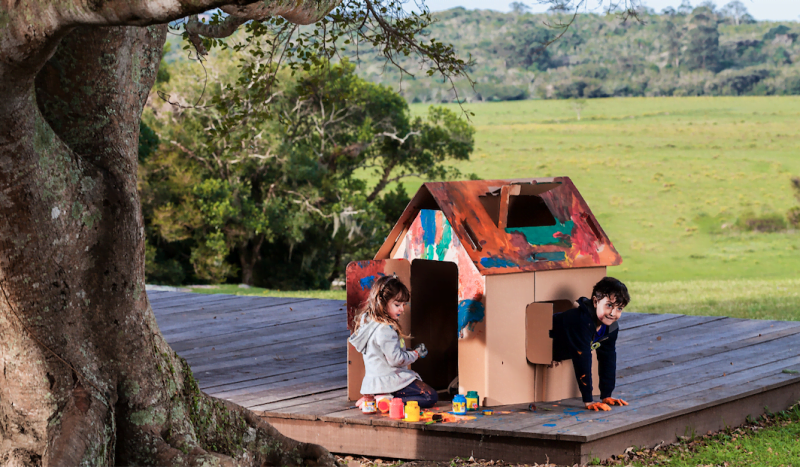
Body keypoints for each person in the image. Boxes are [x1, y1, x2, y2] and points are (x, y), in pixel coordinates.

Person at [349, 275, 438, 408]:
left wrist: (407, 351)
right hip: (388, 381)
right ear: (382, 303)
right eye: (397, 305)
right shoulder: (385, 329)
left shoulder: (369, 323)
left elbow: (385, 354)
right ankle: (386, 401)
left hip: (374, 381)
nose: (402, 309)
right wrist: (415, 354)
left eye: (403, 304)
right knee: (429, 395)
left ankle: (372, 398)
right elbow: (396, 360)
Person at [552, 276, 630, 411]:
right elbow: (582, 359)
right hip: (550, 345)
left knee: (608, 355)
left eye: (619, 308)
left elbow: (608, 358)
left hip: (569, 350)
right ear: (595, 302)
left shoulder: (611, 327)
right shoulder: (581, 321)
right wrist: (588, 400)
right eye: (609, 305)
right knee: (583, 356)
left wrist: (607, 394)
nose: (613, 313)